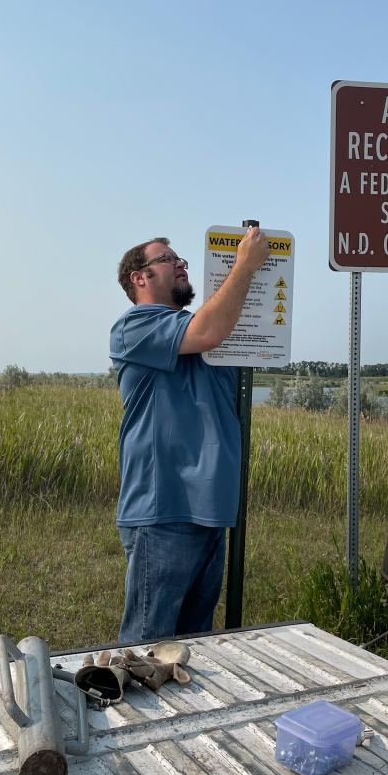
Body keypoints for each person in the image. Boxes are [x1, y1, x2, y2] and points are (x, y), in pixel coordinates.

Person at [110, 228, 269, 644]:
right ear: (139, 278)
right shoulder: (134, 328)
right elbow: (207, 332)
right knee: (147, 646)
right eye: (167, 259)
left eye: (180, 257)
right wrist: (246, 266)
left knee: (196, 646)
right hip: (164, 509)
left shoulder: (206, 328)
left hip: (212, 508)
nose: (181, 263)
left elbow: (215, 331)